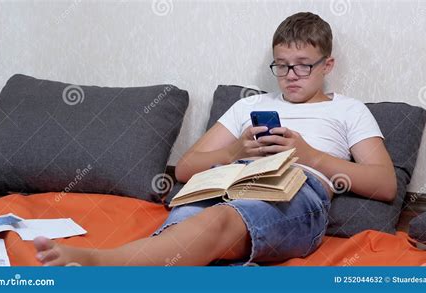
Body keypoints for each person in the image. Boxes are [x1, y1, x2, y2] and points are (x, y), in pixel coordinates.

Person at [33, 12, 397, 266]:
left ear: (327, 65)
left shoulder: (348, 110)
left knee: (218, 222)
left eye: (303, 64)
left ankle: (101, 264)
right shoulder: (250, 105)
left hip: (296, 191)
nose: (290, 75)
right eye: (281, 64)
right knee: (185, 227)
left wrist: (308, 154)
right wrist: (236, 150)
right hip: (230, 181)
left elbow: (384, 184)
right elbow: (187, 168)